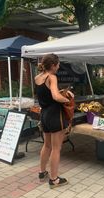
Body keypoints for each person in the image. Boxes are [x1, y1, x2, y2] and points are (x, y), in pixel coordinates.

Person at [34, 53, 74, 189]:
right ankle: (54, 179)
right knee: (56, 148)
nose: (58, 67)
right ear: (53, 65)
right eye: (57, 65)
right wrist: (68, 99)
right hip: (55, 115)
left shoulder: (38, 78)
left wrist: (60, 91)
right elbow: (56, 97)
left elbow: (48, 93)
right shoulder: (52, 77)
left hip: (44, 115)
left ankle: (42, 172)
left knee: (47, 145)